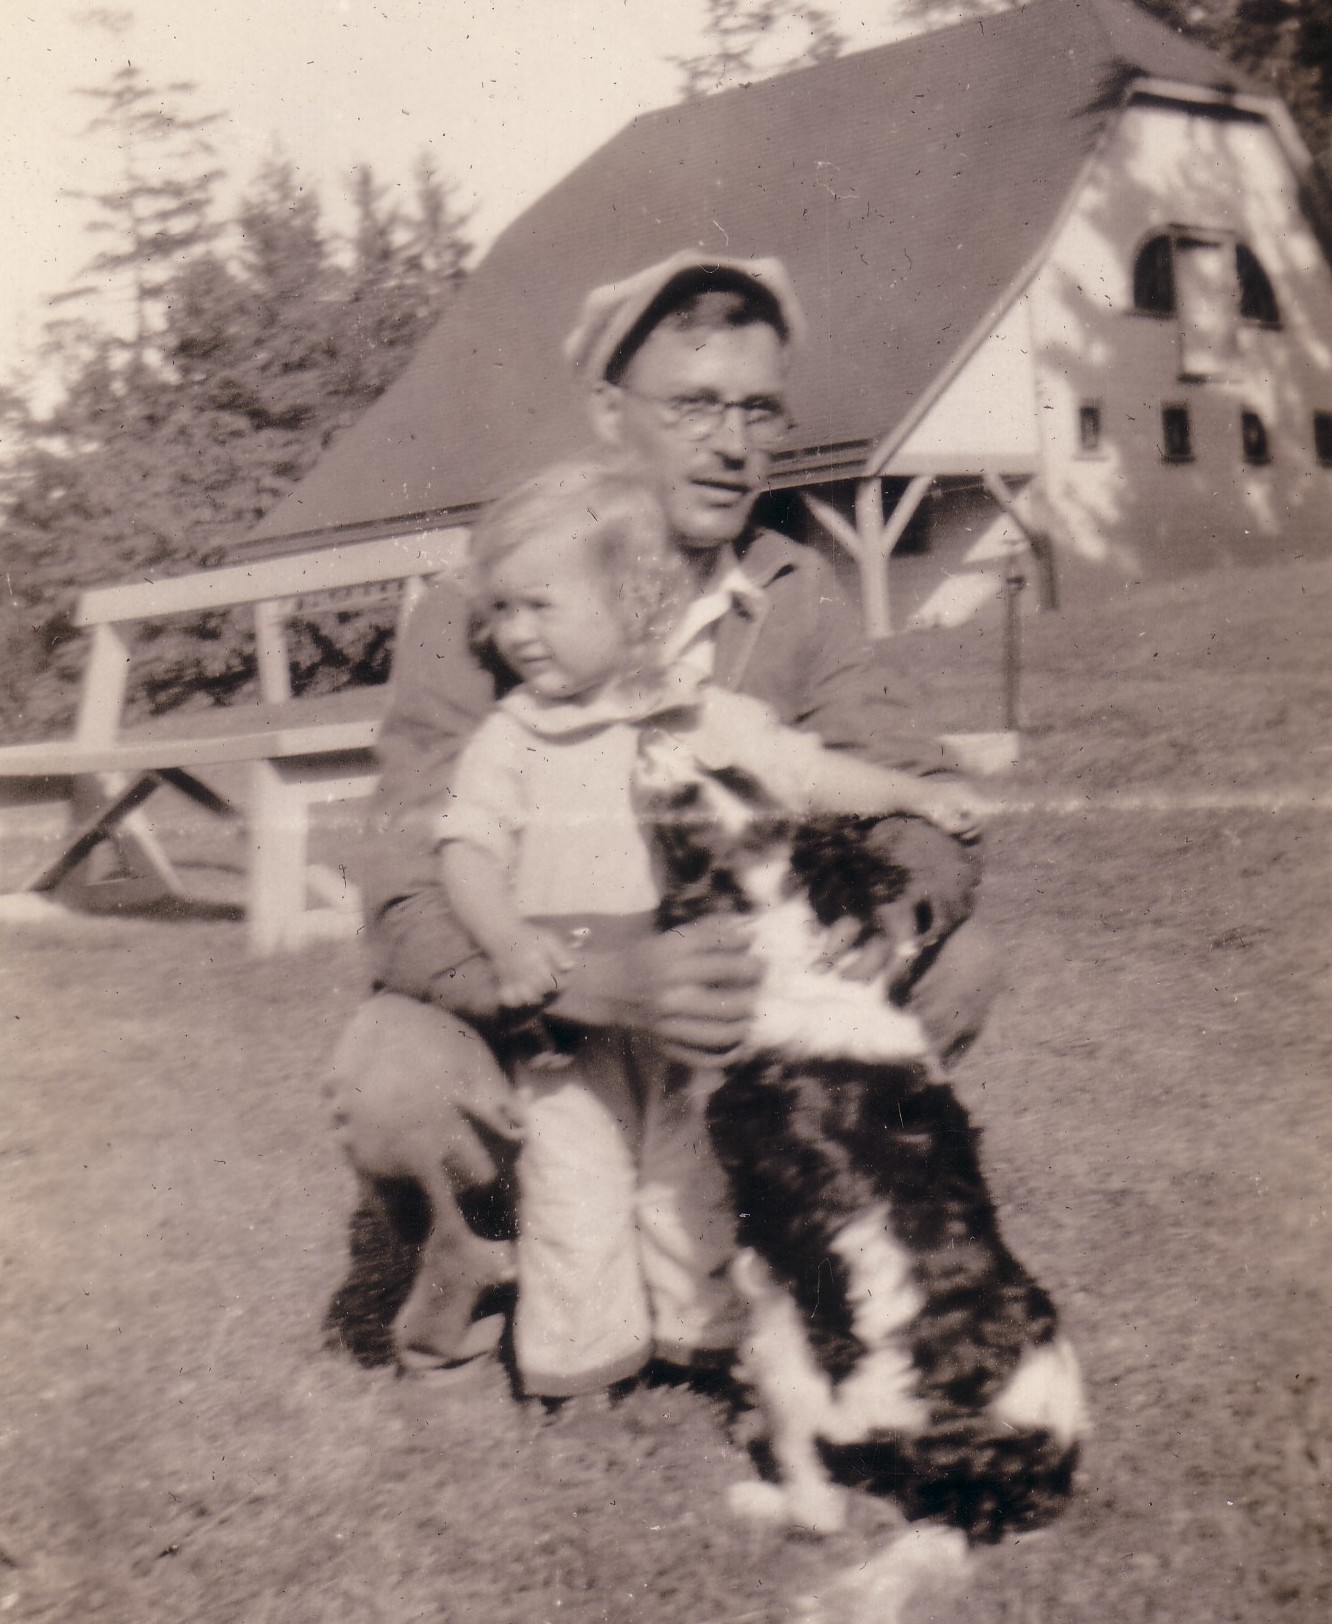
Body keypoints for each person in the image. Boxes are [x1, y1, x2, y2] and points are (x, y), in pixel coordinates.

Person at [328, 250, 998, 1373]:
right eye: (693, 405)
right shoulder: (491, 600)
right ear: (609, 413)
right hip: (544, 1006)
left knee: (960, 960)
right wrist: (593, 980)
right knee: (391, 1072)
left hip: (720, 1007)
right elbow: (403, 889)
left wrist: (891, 904)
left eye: (759, 410)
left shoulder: (791, 590)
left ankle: (782, 1218)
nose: (733, 444)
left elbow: (900, 777)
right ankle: (485, 1254)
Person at [432, 459, 983, 1398]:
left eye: (540, 607)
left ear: (633, 601)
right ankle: (580, 1360)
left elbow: (805, 772)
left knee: (693, 1172)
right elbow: (466, 852)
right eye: (502, 611)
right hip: (575, 1008)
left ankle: (705, 1337)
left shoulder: (695, 714)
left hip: (697, 999)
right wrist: (508, 942)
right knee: (573, 1179)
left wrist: (910, 792)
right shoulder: (510, 739)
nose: (515, 633)